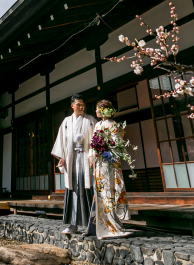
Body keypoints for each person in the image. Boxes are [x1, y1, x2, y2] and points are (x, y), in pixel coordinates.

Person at [51, 93, 96, 234]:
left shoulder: (90, 120)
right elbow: (62, 142)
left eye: (83, 104)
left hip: (86, 159)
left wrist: (93, 154)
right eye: (78, 104)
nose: (81, 107)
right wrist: (62, 157)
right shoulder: (66, 122)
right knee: (73, 190)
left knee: (87, 189)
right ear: (72, 106)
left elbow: (96, 140)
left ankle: (92, 225)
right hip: (71, 160)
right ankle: (73, 225)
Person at [89, 99, 133, 239]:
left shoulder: (113, 125)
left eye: (97, 108)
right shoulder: (97, 125)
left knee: (108, 192)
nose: (95, 111)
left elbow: (117, 143)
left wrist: (103, 149)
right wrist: (92, 154)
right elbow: (93, 143)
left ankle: (112, 225)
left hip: (108, 162)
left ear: (103, 110)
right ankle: (100, 225)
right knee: (100, 193)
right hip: (98, 164)